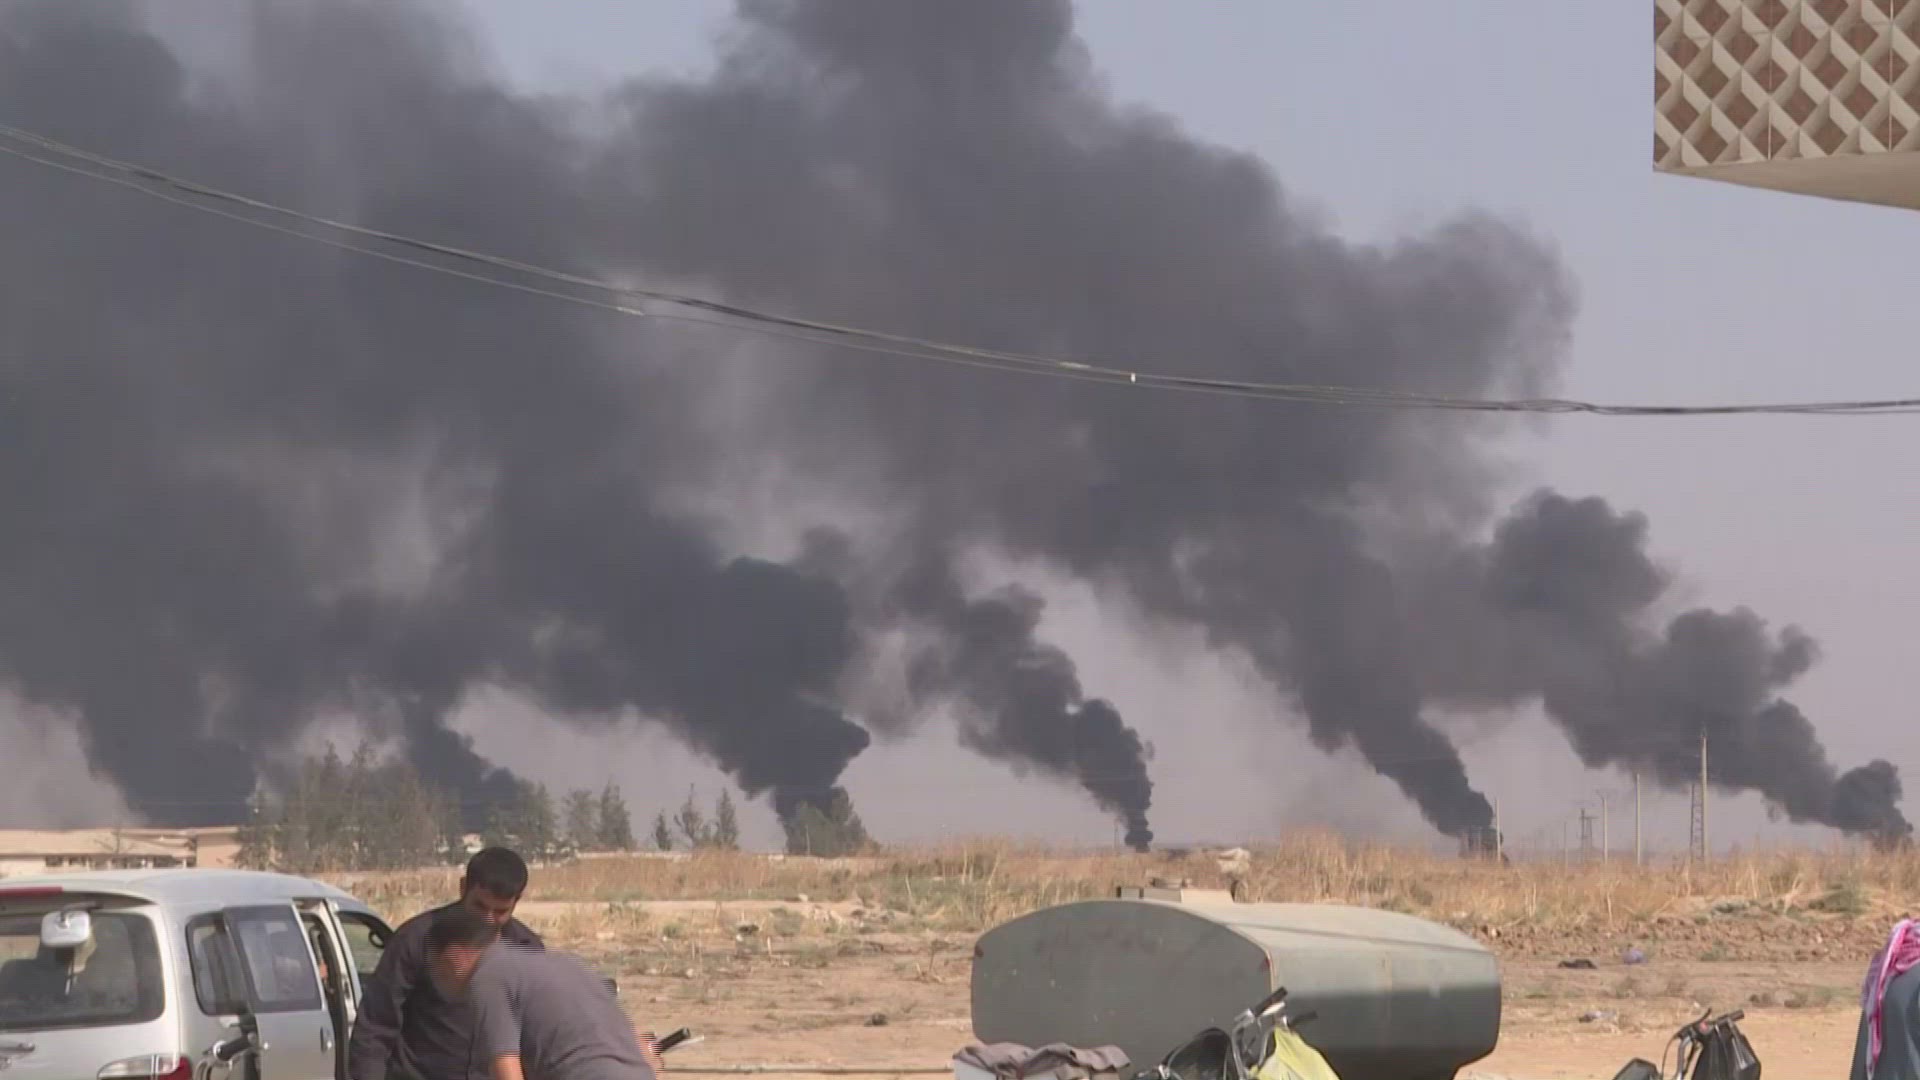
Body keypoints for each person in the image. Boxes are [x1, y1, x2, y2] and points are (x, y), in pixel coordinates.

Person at [349, 848, 545, 1080]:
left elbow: (538, 1036)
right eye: (480, 906)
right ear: (463, 888)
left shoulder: (527, 951)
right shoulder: (417, 939)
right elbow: (375, 1027)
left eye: (500, 912)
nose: (488, 919)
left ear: (516, 902)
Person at [424, 906, 663, 1080]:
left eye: (437, 969)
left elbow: (505, 1066)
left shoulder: (487, 976)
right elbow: (636, 1043)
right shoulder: (560, 963)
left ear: (455, 956)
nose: (438, 981)